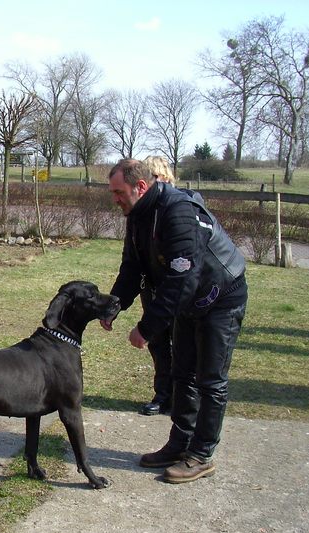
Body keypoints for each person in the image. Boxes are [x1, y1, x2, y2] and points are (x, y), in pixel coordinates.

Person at [103, 158, 247, 484]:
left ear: (140, 186)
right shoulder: (138, 215)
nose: (115, 198)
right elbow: (133, 267)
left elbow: (182, 279)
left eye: (118, 191)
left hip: (221, 298)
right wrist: (114, 305)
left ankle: (201, 454)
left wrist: (147, 328)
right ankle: (179, 444)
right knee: (182, 375)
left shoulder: (178, 212)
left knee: (211, 380)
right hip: (192, 301)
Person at [136, 156, 176, 416]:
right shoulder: (141, 214)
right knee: (158, 344)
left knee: (182, 345)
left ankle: (182, 398)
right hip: (151, 288)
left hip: (176, 290)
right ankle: (163, 395)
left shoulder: (178, 207)